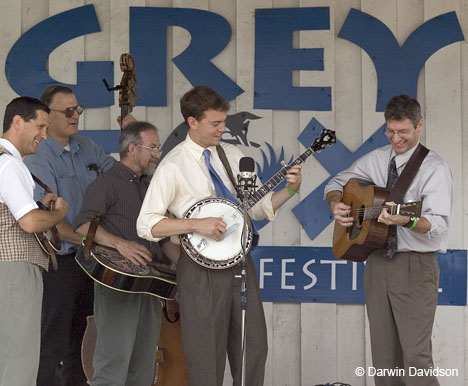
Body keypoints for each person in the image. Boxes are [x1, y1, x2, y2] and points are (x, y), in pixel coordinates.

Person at [137, 85, 302, 386]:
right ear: (192, 122)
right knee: (205, 356)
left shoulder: (233, 154)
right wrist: (194, 225)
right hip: (199, 269)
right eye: (215, 123)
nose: (223, 129)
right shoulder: (172, 165)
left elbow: (258, 208)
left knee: (253, 347)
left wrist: (290, 190)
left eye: (224, 122)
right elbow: (147, 225)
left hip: (240, 263)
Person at [324, 94, 452, 386]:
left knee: (416, 357)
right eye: (391, 131)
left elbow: (439, 225)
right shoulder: (377, 158)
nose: (396, 138)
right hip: (377, 263)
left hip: (414, 265)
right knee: (383, 360)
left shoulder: (435, 168)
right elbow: (336, 183)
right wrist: (336, 204)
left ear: (419, 126)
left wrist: (406, 219)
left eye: (403, 131)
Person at [74, 121, 180, 386]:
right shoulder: (106, 183)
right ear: (132, 149)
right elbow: (83, 226)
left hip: (150, 284)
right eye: (153, 147)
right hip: (118, 283)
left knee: (144, 365)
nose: (158, 153)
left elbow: (163, 239)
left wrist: (187, 266)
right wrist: (120, 244)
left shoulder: (149, 187)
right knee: (113, 362)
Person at [24, 86, 116, 386]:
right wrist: (102, 240)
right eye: (67, 111)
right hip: (59, 264)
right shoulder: (38, 157)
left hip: (90, 262)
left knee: (85, 341)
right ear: (46, 117)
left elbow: (121, 179)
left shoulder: (87, 147)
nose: (75, 116)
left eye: (78, 109)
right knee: (53, 344)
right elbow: (52, 225)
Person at [0, 96, 69, 386]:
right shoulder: (10, 165)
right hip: (15, 269)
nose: (44, 134)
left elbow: (10, 214)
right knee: (19, 361)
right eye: (40, 126)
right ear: (18, 122)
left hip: (1, 267)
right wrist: (59, 213)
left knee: (8, 357)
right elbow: (29, 223)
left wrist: (38, 203)